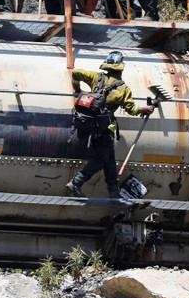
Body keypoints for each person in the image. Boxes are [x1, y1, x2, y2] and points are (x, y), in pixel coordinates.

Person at [66, 51, 155, 198]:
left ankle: (113, 190)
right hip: (106, 128)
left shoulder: (96, 77)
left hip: (91, 126)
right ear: (121, 67)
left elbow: (75, 73)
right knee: (101, 158)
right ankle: (76, 182)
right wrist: (145, 109)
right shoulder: (123, 89)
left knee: (109, 157)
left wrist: (77, 90)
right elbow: (132, 110)